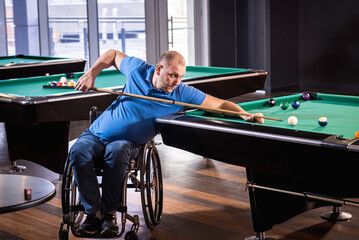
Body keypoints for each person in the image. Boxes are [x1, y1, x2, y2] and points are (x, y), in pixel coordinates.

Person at [70, 49, 263, 236]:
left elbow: (219, 104)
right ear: (158, 69)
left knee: (117, 150)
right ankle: (91, 213)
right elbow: (112, 54)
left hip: (127, 143)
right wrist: (91, 74)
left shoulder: (181, 93)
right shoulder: (138, 70)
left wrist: (244, 114)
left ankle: (108, 215)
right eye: (172, 75)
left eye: (180, 76)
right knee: (77, 150)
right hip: (96, 133)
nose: (177, 81)